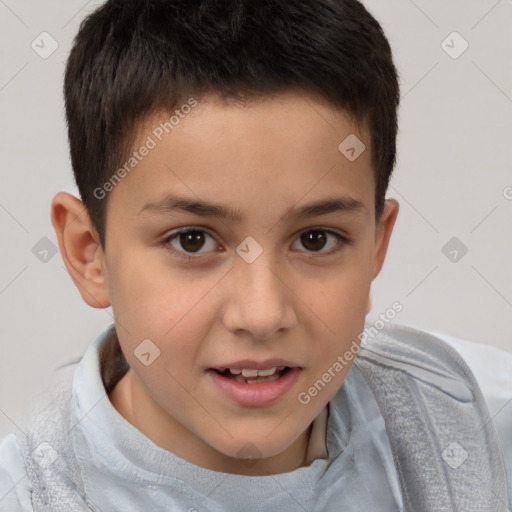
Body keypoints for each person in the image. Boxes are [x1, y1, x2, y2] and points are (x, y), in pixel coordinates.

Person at [1, 0, 511, 510]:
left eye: (316, 239)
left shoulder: (477, 423)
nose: (263, 314)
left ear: (377, 245)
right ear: (90, 254)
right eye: (193, 240)